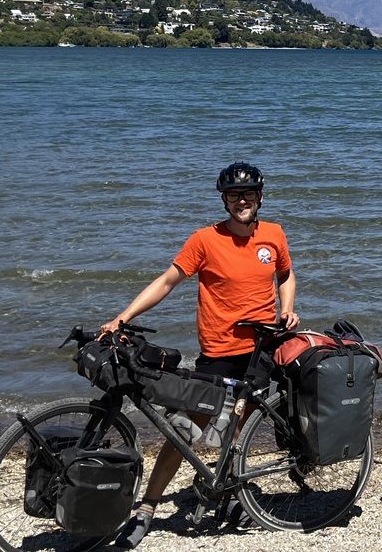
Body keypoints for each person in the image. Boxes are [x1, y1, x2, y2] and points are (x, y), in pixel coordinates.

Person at [102, 161, 297, 549]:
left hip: (261, 350)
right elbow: (167, 281)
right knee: (184, 432)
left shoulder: (274, 235)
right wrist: (122, 317)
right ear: (224, 201)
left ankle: (226, 490)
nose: (242, 200)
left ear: (260, 197)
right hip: (220, 351)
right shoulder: (205, 240)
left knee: (236, 432)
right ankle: (147, 508)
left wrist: (287, 308)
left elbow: (286, 274)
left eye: (248, 194)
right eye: (233, 195)